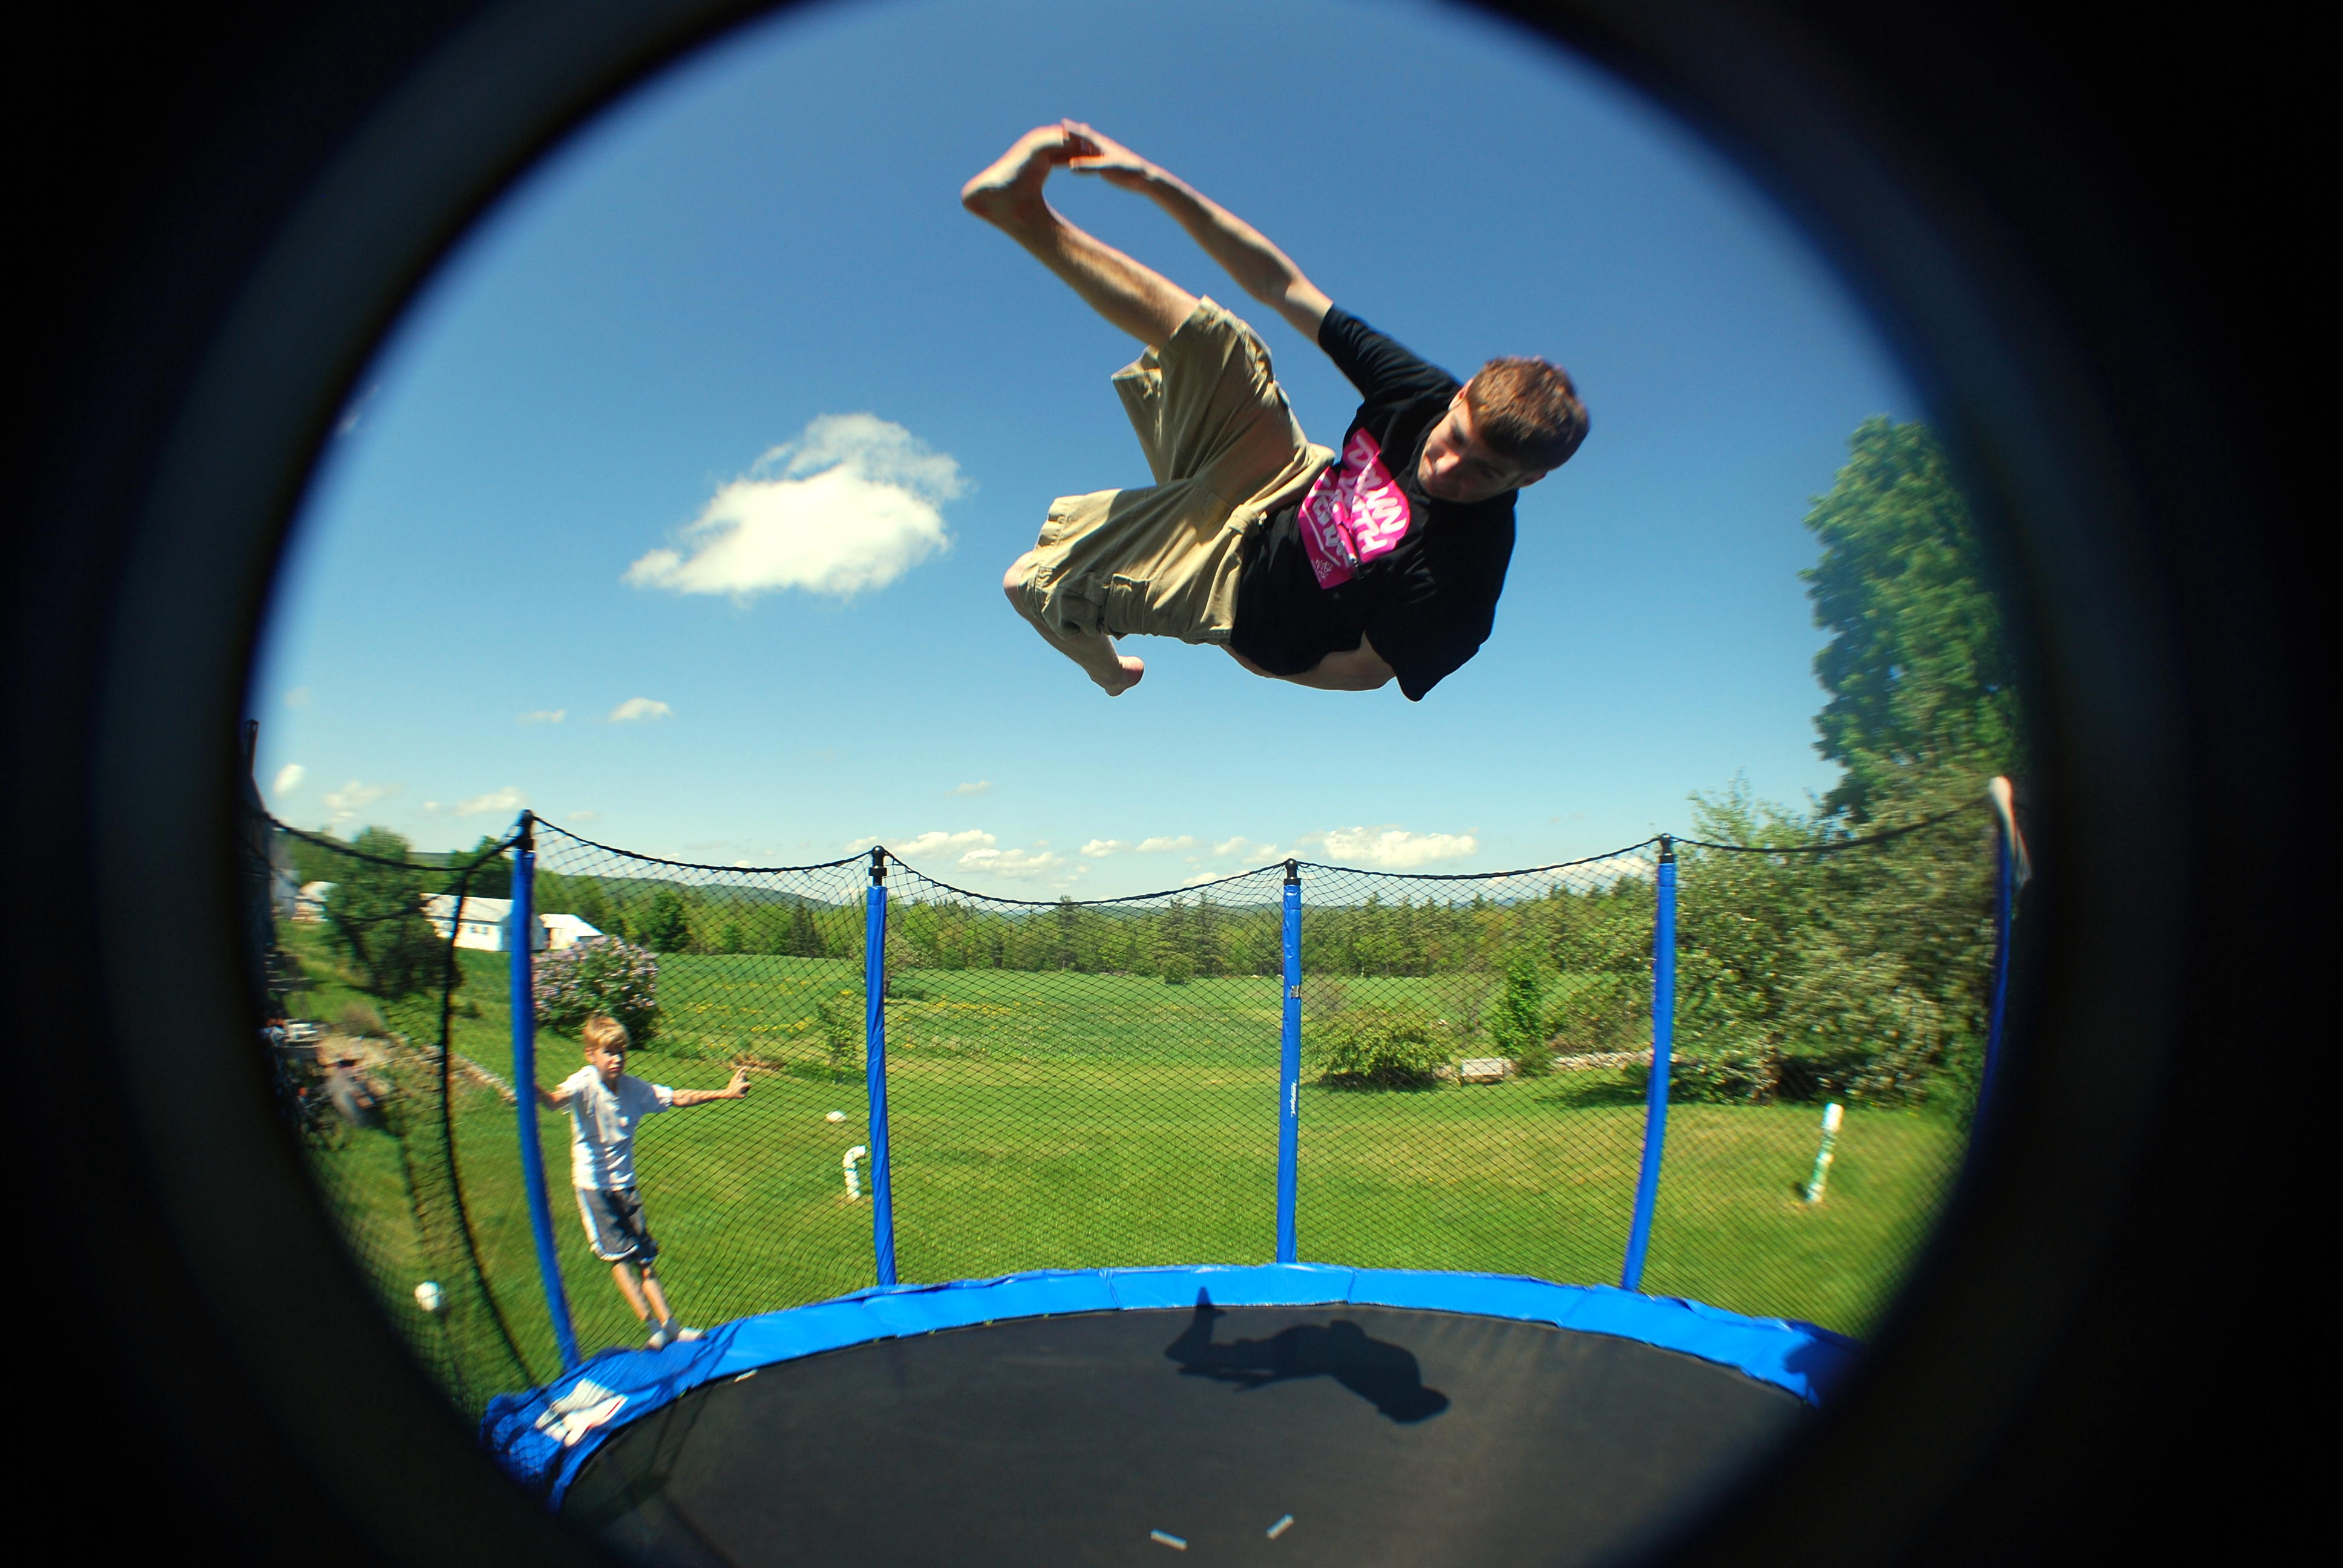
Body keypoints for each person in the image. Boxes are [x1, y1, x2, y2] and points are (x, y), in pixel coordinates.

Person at [963, 122, 1588, 701]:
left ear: (1528, 480)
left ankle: (1107, 671)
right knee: (1221, 339)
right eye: (1453, 437)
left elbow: (1369, 669)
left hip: (1236, 592)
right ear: (1460, 396)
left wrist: (1264, 658)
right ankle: (1021, 212)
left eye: (1483, 472)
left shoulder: (1467, 572)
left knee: (1029, 582)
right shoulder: (1419, 391)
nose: (1447, 467)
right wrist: (1153, 181)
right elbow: (1281, 286)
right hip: (1281, 478)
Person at [537, 1013, 749, 1350]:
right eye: (609, 1052)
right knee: (620, 1259)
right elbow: (553, 1101)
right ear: (591, 1055)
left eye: (621, 1052)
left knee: (645, 1259)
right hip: (594, 1187)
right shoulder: (584, 1083)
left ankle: (672, 1326)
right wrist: (531, 1084)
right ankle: (653, 1327)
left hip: (625, 1184)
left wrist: (725, 1093)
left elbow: (678, 1097)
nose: (617, 1059)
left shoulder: (635, 1089)